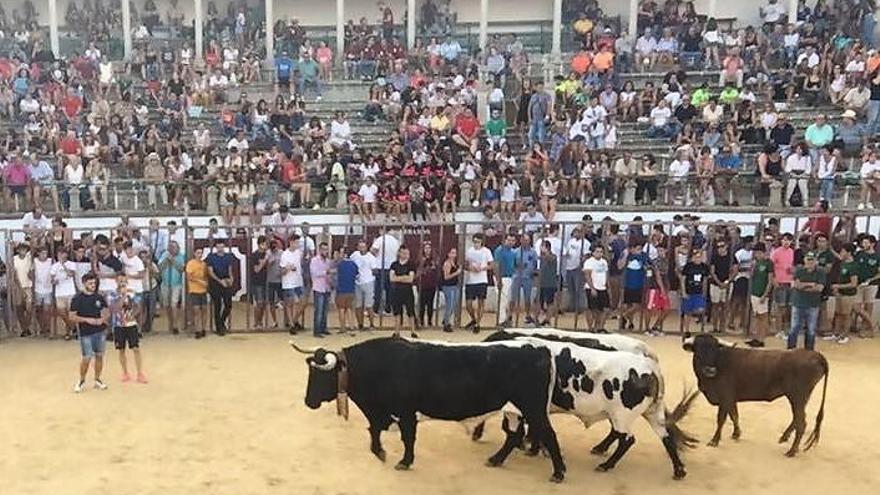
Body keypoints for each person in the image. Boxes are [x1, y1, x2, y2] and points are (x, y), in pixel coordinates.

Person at [69, 272, 110, 393]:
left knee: (99, 355)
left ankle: (97, 379)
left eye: (94, 283)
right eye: (90, 283)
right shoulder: (77, 298)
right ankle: (81, 380)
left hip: (100, 331)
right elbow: (71, 316)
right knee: (86, 358)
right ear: (84, 283)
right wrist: (88, 320)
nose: (93, 285)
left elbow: (106, 311)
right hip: (85, 332)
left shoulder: (99, 297)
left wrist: (102, 320)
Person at [107, 274, 147, 383]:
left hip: (131, 324)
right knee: (121, 349)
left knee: (136, 348)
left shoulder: (132, 293)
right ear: (116, 281)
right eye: (120, 281)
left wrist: (133, 315)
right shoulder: (112, 295)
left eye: (124, 281)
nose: (122, 283)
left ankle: (140, 373)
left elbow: (138, 306)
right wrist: (123, 296)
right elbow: (114, 309)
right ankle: (125, 373)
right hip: (119, 326)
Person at [789, 252, 826, 350]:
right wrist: (811, 285)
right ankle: (790, 350)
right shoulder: (799, 270)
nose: (810, 262)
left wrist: (803, 285)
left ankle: (809, 351)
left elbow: (819, 288)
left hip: (813, 305)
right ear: (804, 260)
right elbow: (796, 285)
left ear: (816, 261)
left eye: (812, 259)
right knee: (794, 328)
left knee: (811, 330)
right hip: (798, 303)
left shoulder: (821, 272)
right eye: (808, 259)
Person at [745, 243, 774, 348]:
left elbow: (770, 281)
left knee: (763, 316)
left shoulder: (768, 263)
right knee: (757, 315)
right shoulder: (757, 263)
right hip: (755, 292)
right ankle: (756, 337)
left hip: (762, 293)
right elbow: (752, 276)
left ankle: (761, 338)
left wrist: (765, 294)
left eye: (756, 252)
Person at [205, 240, 236, 335]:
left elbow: (230, 270)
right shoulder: (211, 257)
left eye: (222, 247)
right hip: (215, 283)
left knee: (228, 305)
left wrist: (231, 279)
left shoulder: (228, 257)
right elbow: (210, 272)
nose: (220, 249)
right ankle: (219, 328)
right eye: (218, 247)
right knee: (217, 306)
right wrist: (220, 281)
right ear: (216, 247)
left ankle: (221, 322)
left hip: (225, 281)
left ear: (224, 247)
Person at [464, 234, 494, 332]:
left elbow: (491, 265)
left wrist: (482, 268)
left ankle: (477, 323)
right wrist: (470, 268)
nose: (476, 244)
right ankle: (474, 319)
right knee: (468, 304)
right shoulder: (469, 251)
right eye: (475, 241)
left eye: (478, 242)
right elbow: (465, 264)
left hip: (482, 280)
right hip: (471, 280)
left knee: (481, 302)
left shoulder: (486, 251)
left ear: (481, 242)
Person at [830, 244, 859, 345]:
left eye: (843, 251)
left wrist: (838, 286)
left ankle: (845, 335)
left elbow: (853, 284)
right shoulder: (843, 262)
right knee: (838, 313)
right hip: (840, 293)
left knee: (846, 315)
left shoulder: (853, 266)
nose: (841, 253)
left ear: (849, 253)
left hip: (848, 295)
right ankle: (836, 333)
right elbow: (838, 256)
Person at [618, 241, 650, 332]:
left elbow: (649, 266)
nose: (639, 251)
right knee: (628, 304)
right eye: (637, 249)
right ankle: (630, 322)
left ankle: (624, 316)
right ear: (631, 249)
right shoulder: (627, 256)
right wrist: (625, 255)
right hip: (627, 283)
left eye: (640, 249)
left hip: (639, 284)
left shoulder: (644, 256)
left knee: (637, 305)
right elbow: (619, 266)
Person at [854, 235, 880, 338]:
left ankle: (864, 329)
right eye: (863, 243)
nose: (863, 245)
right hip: (859, 284)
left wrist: (870, 280)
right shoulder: (860, 254)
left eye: (866, 243)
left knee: (868, 307)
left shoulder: (877, 256)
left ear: (872, 244)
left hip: (871, 285)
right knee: (856, 307)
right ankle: (873, 325)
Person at [770, 233, 795, 337]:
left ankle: (784, 330)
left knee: (787, 308)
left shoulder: (792, 252)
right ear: (781, 241)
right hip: (779, 282)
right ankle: (778, 330)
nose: (786, 242)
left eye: (788, 240)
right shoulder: (776, 252)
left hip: (789, 282)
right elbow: (771, 267)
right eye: (784, 240)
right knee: (780, 307)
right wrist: (774, 280)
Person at [389, 246, 418, 338]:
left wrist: (398, 278)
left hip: (408, 292)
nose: (406, 255)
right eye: (403, 253)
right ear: (399, 253)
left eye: (407, 253)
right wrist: (404, 277)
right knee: (397, 312)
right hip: (396, 292)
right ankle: (396, 332)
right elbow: (391, 278)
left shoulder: (411, 265)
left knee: (411, 311)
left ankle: (413, 331)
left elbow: (410, 279)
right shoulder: (394, 264)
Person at [680, 249, 710, 335]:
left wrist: (704, 292)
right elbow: (683, 279)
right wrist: (684, 292)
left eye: (700, 257)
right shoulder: (688, 266)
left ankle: (702, 327)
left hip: (699, 292)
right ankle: (686, 330)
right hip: (689, 291)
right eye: (696, 257)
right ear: (693, 258)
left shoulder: (704, 267)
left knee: (701, 309)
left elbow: (704, 280)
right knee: (687, 312)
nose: (698, 259)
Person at [510, 233, 538, 326]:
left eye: (527, 240)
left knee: (527, 298)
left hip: (528, 277)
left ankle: (528, 315)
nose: (526, 242)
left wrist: (533, 273)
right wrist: (518, 266)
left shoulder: (533, 252)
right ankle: (510, 316)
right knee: (513, 297)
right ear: (521, 241)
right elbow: (512, 265)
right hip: (517, 276)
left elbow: (535, 264)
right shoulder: (515, 252)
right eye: (524, 240)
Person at [371, 228, 400, 315]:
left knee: (378, 290)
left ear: (381, 230)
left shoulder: (380, 239)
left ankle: (376, 309)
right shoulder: (395, 241)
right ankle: (388, 309)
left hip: (381, 267)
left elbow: (373, 250)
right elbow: (398, 254)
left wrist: (377, 256)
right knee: (390, 290)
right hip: (392, 268)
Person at [350, 240, 378, 330]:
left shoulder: (371, 257)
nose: (362, 249)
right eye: (360, 247)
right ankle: (360, 324)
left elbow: (375, 271)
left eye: (363, 247)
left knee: (369, 305)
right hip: (357, 283)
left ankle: (372, 324)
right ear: (357, 247)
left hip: (368, 282)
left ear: (367, 247)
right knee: (358, 306)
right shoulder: (354, 255)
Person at [159, 241, 186, 334]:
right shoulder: (164, 255)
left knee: (174, 304)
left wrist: (173, 260)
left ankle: (175, 325)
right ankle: (170, 323)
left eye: (174, 247)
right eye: (170, 247)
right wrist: (167, 259)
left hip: (176, 284)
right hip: (165, 283)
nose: (172, 249)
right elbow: (160, 268)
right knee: (167, 305)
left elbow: (182, 269)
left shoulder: (181, 256)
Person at [280, 235, 305, 334]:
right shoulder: (284, 254)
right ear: (291, 242)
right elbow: (282, 271)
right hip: (288, 282)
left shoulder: (299, 253)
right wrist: (288, 268)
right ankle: (291, 324)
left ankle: (294, 321)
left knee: (303, 302)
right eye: (296, 242)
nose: (298, 244)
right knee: (290, 304)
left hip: (298, 281)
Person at [51, 248, 77, 340]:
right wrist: (54, 281)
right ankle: (73, 328)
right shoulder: (54, 266)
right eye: (59, 254)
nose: (61, 256)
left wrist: (63, 265)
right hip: (59, 292)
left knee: (70, 313)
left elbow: (71, 274)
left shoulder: (71, 264)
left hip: (70, 292)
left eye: (63, 254)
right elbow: (52, 279)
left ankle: (68, 333)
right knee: (62, 313)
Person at [709, 239, 734, 333]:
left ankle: (722, 327)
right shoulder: (714, 257)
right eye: (718, 247)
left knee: (725, 306)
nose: (720, 248)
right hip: (715, 284)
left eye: (722, 246)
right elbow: (712, 271)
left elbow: (734, 270)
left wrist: (727, 282)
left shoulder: (731, 257)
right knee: (715, 306)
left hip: (727, 284)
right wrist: (719, 283)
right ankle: (715, 327)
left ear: (726, 246)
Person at [583, 245, 610, 332]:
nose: (599, 254)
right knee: (592, 309)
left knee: (604, 309)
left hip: (602, 288)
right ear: (593, 252)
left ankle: (600, 327)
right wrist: (592, 288)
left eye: (601, 252)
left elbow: (606, 274)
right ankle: (590, 327)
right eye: (597, 252)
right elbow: (587, 276)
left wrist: (607, 286)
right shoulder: (589, 262)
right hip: (592, 287)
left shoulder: (604, 262)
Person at [185, 247, 209, 338]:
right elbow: (189, 277)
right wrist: (200, 282)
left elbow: (205, 275)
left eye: (201, 253)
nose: (200, 255)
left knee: (204, 309)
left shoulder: (203, 264)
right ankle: (197, 329)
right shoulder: (191, 263)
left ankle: (203, 329)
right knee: (196, 310)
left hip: (203, 290)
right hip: (194, 290)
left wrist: (205, 283)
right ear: (194, 254)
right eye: (198, 253)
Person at [493, 234, 517, 327]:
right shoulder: (500, 250)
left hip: (510, 277)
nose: (510, 242)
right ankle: (501, 321)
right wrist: (498, 280)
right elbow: (496, 265)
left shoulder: (512, 252)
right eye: (509, 240)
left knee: (506, 300)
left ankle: (505, 319)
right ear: (505, 240)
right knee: (502, 300)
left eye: (512, 240)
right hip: (502, 277)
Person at [310, 242, 332, 337]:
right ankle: (317, 331)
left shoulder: (328, 261)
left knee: (325, 310)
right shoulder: (314, 260)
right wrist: (325, 272)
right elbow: (314, 273)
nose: (325, 251)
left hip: (326, 287)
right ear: (319, 250)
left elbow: (330, 274)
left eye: (326, 249)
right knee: (318, 310)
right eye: (323, 249)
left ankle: (323, 328)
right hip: (318, 288)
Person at [335, 246, 359, 334]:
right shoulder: (354, 264)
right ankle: (351, 326)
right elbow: (357, 275)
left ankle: (342, 327)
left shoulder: (340, 264)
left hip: (341, 289)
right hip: (351, 289)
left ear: (343, 254)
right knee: (349, 309)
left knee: (341, 309)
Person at [416, 242, 439, 329]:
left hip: (431, 284)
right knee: (422, 304)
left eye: (429, 248)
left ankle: (429, 321)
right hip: (422, 284)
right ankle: (421, 321)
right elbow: (418, 272)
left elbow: (437, 270)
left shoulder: (434, 259)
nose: (427, 250)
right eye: (426, 248)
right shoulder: (420, 259)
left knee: (430, 304)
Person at [249, 236, 270, 329]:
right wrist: (265, 259)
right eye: (264, 244)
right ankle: (256, 322)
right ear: (259, 244)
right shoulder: (254, 255)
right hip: (257, 282)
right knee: (259, 303)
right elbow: (257, 269)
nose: (265, 246)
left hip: (266, 281)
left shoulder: (268, 254)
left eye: (266, 244)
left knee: (264, 303)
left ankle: (260, 321)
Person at [440, 247, 462, 332]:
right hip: (448, 286)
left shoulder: (454, 263)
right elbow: (446, 277)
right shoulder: (447, 263)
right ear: (448, 254)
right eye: (452, 253)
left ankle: (446, 319)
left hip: (454, 286)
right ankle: (446, 324)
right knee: (450, 305)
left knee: (453, 305)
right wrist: (456, 273)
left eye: (455, 253)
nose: (453, 255)